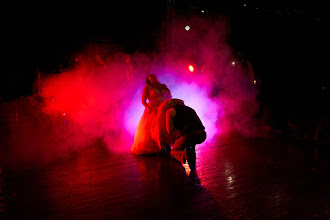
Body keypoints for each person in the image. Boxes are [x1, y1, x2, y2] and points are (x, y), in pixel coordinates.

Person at [131, 74, 183, 155]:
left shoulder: (163, 86)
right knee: (154, 128)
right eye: (150, 76)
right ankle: (156, 145)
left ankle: (166, 144)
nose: (152, 76)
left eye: (153, 75)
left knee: (165, 126)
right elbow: (143, 100)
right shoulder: (148, 87)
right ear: (148, 79)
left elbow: (169, 97)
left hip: (164, 108)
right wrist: (149, 108)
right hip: (153, 109)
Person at [166, 103, 206, 170]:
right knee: (191, 146)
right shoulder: (190, 109)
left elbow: (170, 129)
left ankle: (184, 155)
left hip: (188, 136)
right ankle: (192, 169)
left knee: (174, 151)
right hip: (202, 135)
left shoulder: (170, 111)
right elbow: (199, 123)